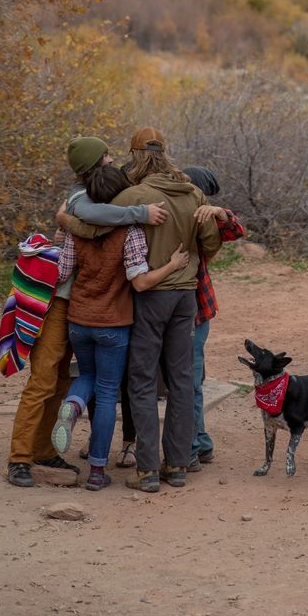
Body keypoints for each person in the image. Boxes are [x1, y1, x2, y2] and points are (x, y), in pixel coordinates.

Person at [4, 136, 166, 488]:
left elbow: (95, 224)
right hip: (58, 302)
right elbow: (93, 221)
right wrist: (138, 215)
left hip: (78, 305)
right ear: (96, 163)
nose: (112, 159)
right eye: (106, 155)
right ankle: (19, 457)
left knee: (63, 379)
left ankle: (43, 448)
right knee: (44, 379)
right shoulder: (80, 198)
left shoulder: (99, 193)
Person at [51, 159, 189, 490]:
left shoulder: (77, 228)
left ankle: (72, 405)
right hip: (114, 323)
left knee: (87, 377)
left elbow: (61, 273)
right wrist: (172, 265)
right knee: (109, 389)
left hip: (79, 320)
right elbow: (140, 283)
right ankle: (98, 471)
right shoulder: (130, 232)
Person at [118, 127, 221, 491]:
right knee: (181, 379)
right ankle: (177, 465)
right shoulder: (194, 193)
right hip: (185, 296)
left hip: (150, 295)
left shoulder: (133, 195)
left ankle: (147, 470)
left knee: (143, 379)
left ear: (136, 156)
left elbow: (98, 228)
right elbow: (210, 244)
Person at [182, 166, 245, 471]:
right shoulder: (185, 214)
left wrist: (219, 212)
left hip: (192, 310)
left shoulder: (205, 216)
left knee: (190, 381)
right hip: (195, 308)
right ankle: (201, 442)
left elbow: (235, 230)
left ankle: (194, 445)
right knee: (191, 380)